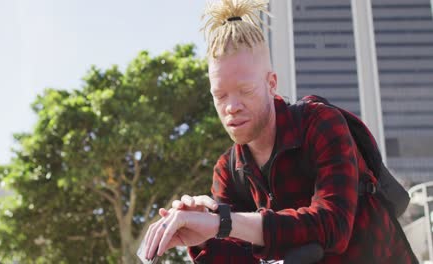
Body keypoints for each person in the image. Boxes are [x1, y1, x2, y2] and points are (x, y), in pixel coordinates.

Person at [142, 0, 417, 263]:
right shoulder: (228, 171)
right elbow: (237, 259)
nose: (231, 107)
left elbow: (332, 226)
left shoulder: (321, 124)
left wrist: (222, 221)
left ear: (271, 83)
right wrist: (199, 235)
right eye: (220, 95)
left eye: (245, 91)